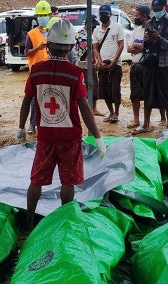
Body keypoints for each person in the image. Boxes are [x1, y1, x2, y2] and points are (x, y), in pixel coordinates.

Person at [15, 19, 106, 243]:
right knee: (68, 182)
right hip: (70, 137)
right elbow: (85, 107)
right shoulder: (75, 73)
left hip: (45, 136)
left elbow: (27, 101)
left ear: (48, 46)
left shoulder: (36, 71)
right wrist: (98, 137)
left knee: (36, 180)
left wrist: (21, 127)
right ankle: (66, 223)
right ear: (71, 47)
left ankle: (27, 226)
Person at [133, 0, 168, 134]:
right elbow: (145, 47)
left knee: (166, 94)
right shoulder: (149, 23)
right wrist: (147, 40)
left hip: (164, 64)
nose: (156, 11)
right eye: (155, 9)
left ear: (164, 7)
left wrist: (159, 39)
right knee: (148, 93)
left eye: (159, 8)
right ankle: (146, 124)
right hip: (150, 63)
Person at [93, 4, 125, 124]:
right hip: (102, 64)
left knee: (115, 90)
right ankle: (110, 112)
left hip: (115, 64)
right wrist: (100, 62)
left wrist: (115, 61)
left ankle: (116, 113)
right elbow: (95, 48)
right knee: (104, 91)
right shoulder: (96, 30)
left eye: (106, 14)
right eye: (101, 14)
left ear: (110, 14)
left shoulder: (117, 27)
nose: (103, 16)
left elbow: (121, 45)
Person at [25, 0, 53, 133]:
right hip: (36, 71)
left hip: (52, 70)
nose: (43, 18)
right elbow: (27, 52)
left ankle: (49, 124)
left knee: (50, 98)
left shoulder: (54, 31)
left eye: (45, 15)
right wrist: (37, 48)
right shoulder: (31, 34)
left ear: (49, 15)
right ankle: (33, 124)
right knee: (34, 99)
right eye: (40, 15)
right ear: (37, 17)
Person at [74, 14, 104, 117]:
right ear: (87, 24)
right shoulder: (80, 34)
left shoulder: (93, 34)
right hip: (83, 64)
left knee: (94, 86)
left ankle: (94, 108)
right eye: (92, 26)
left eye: (95, 26)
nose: (94, 28)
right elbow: (84, 51)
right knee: (84, 87)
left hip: (92, 63)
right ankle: (85, 108)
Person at [126, 5, 151, 129]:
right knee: (134, 94)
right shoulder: (136, 31)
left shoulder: (151, 30)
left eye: (137, 15)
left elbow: (149, 48)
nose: (135, 17)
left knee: (148, 94)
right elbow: (129, 48)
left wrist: (139, 48)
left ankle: (147, 121)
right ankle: (136, 119)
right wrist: (140, 48)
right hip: (135, 66)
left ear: (144, 16)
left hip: (147, 67)